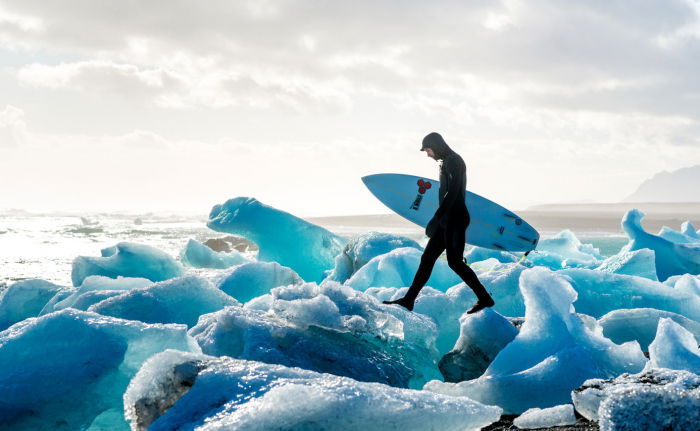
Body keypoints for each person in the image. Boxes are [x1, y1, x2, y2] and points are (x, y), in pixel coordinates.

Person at [383, 132, 495, 314]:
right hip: (447, 219)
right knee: (427, 259)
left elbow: (453, 192)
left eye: (428, 150)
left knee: (455, 263)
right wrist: (440, 218)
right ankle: (408, 300)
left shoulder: (454, 161)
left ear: (436, 146)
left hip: (455, 219)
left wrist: (437, 217)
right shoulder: (446, 161)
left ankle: (485, 298)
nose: (428, 154)